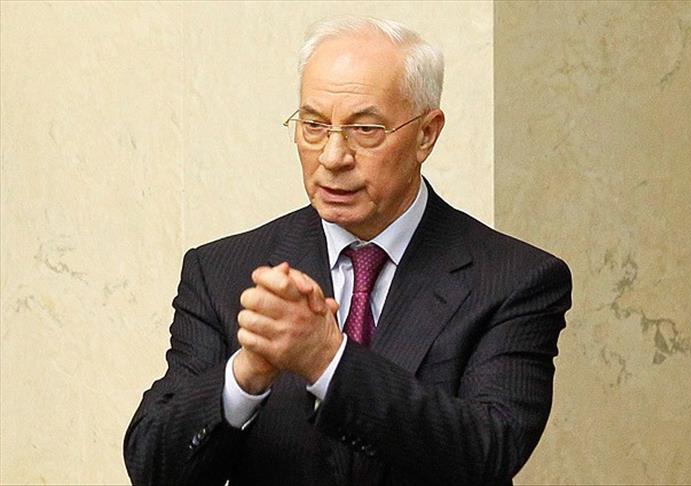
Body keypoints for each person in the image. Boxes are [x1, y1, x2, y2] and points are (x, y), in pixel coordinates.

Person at [124, 16, 572, 486]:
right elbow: (153, 467)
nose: (333, 157)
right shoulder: (222, 271)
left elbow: (489, 450)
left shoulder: (513, 278)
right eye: (314, 126)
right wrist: (245, 375)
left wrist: (327, 360)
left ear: (426, 134)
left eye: (366, 130)